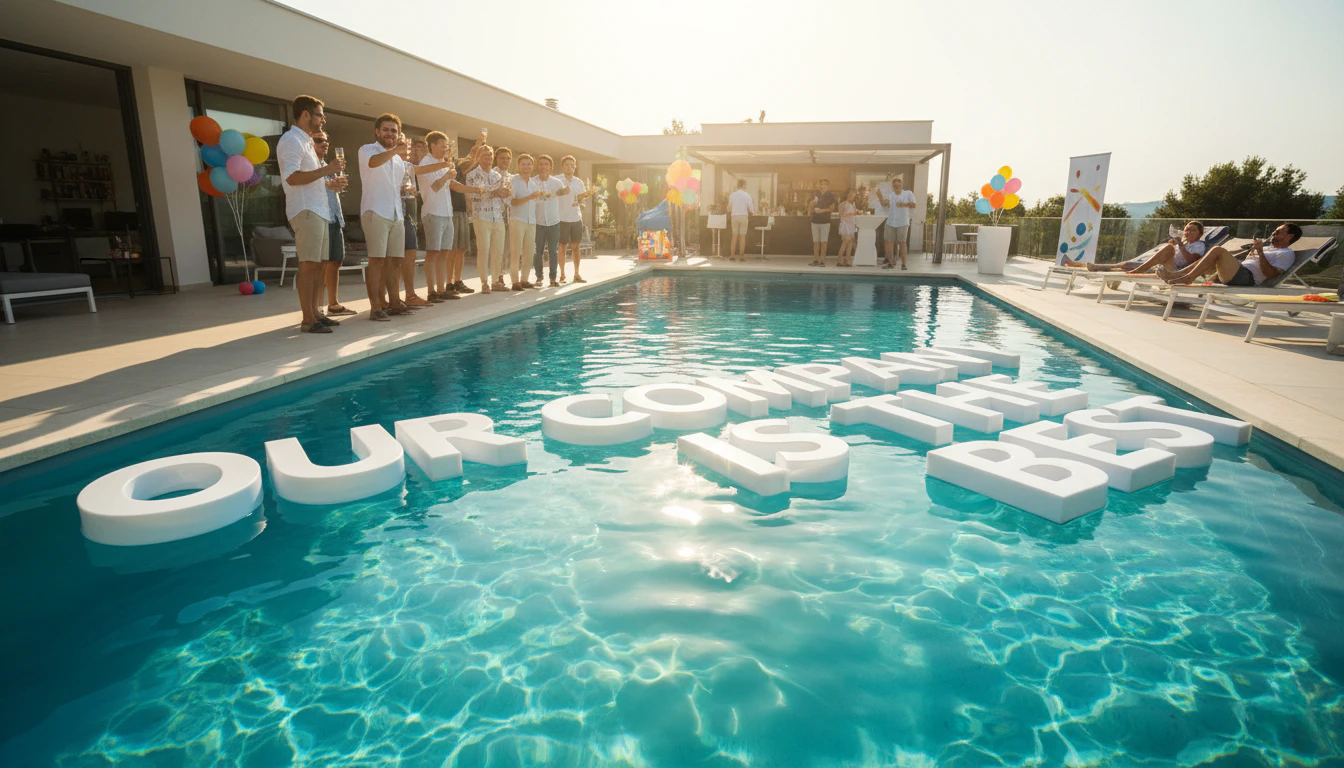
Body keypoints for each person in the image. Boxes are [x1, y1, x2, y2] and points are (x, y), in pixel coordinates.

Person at [276, 94, 344, 333]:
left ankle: (317, 313)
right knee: (308, 265)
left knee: (319, 264)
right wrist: (327, 169)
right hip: (305, 210)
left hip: (319, 210)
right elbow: (292, 177)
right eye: (319, 115)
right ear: (306, 114)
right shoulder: (291, 140)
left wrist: (328, 183)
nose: (323, 119)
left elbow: (309, 179)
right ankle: (308, 320)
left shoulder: (306, 142)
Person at [358, 113, 412, 320]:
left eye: (394, 131)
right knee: (377, 260)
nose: (390, 134)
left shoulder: (398, 159)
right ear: (378, 132)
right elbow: (373, 163)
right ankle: (375, 307)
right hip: (375, 211)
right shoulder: (367, 150)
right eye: (387, 130)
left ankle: (395, 303)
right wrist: (395, 151)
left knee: (396, 261)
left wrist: (407, 189)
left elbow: (396, 186)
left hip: (396, 213)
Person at [1158, 223, 1302, 287]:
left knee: (1217, 250)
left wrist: (1260, 252)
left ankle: (1186, 277)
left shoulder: (1287, 254)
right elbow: (1250, 264)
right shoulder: (1268, 248)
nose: (1273, 234)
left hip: (1247, 278)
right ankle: (1178, 275)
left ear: (1289, 236)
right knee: (1211, 256)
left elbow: (1271, 274)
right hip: (1239, 272)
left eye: (1278, 232)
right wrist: (1253, 253)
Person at [419, 131, 470, 301]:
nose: (445, 149)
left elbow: (452, 185)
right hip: (433, 213)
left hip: (447, 213)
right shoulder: (425, 163)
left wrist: (475, 190)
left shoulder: (443, 163)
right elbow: (434, 187)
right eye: (443, 146)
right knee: (433, 253)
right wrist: (447, 175)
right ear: (432, 145)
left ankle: (441, 290)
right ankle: (431, 291)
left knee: (444, 253)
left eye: (447, 146)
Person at [310, 130, 355, 316]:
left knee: (336, 261)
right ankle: (317, 307)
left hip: (335, 217)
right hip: (320, 217)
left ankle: (333, 304)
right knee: (320, 264)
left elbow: (329, 189)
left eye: (326, 141)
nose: (325, 143)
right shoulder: (309, 165)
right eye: (319, 140)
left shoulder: (326, 165)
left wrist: (337, 184)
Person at [1066, 221, 1206, 273]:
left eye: (1192, 230)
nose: (1188, 232)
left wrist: (1179, 245)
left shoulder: (1200, 246)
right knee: (1126, 264)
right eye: (1186, 229)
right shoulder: (1183, 244)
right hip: (1161, 266)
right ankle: (1092, 266)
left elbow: (1191, 261)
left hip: (1175, 271)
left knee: (1168, 249)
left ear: (1200, 233)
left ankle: (1142, 268)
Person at [448, 133, 486, 296]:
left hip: (462, 210)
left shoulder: (458, 165)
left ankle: (457, 280)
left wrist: (479, 143)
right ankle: (449, 283)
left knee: (461, 249)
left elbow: (471, 157)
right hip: (451, 210)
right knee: (452, 249)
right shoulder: (446, 166)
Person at [465, 144, 506, 294]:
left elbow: (504, 198)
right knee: (484, 250)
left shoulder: (498, 176)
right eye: (484, 155)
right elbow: (472, 196)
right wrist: (494, 193)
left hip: (498, 217)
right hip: (481, 216)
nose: (488, 157)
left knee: (498, 251)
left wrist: (505, 194)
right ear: (478, 157)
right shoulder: (472, 175)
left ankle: (495, 281)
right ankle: (484, 282)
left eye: (490, 154)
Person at [399, 137, 432, 308]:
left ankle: (410, 295)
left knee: (410, 254)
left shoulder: (408, 167)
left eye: (408, 147)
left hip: (409, 215)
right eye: (405, 147)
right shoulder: (387, 162)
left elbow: (422, 170)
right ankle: (388, 299)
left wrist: (443, 164)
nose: (408, 150)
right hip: (392, 214)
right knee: (392, 259)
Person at [507, 152, 542, 290]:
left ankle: (525, 279)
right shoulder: (513, 181)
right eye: (523, 164)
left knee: (529, 251)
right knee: (516, 251)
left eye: (529, 164)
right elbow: (513, 202)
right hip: (517, 219)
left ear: (532, 166)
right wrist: (530, 197)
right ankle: (515, 281)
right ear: (518, 165)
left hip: (531, 221)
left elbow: (536, 202)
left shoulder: (534, 183)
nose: (526, 167)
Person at [557, 156, 594, 283]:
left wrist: (585, 197)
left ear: (575, 167)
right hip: (561, 218)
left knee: (576, 247)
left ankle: (577, 274)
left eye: (572, 165)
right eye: (567, 165)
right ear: (563, 166)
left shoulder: (578, 182)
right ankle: (562, 275)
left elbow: (581, 199)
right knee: (562, 246)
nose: (569, 167)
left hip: (576, 217)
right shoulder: (557, 180)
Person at [533, 154, 566, 287]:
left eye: (546, 164)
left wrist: (564, 191)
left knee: (553, 251)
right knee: (538, 251)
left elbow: (565, 191)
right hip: (537, 221)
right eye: (541, 164)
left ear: (550, 167)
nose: (543, 167)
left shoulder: (556, 182)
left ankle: (553, 278)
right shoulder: (532, 181)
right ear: (537, 166)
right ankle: (539, 278)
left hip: (554, 221)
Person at [490, 146, 515, 291]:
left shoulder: (511, 177)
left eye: (508, 158)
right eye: (502, 158)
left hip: (508, 217)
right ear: (496, 159)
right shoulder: (492, 175)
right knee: (496, 249)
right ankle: (495, 279)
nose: (505, 161)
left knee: (505, 250)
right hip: (493, 216)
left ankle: (500, 276)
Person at [881, 176, 915, 270]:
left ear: (901, 184)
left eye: (898, 182)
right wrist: (885, 203)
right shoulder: (891, 195)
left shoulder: (908, 193)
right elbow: (886, 204)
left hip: (903, 222)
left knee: (902, 243)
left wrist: (903, 205)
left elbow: (913, 204)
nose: (897, 184)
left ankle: (904, 265)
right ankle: (890, 263)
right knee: (889, 243)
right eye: (894, 183)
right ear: (893, 186)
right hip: (891, 222)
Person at [807, 179, 837, 267]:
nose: (822, 186)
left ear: (827, 186)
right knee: (815, 242)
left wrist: (822, 210)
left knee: (824, 242)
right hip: (814, 221)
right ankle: (816, 260)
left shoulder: (831, 196)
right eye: (821, 184)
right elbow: (809, 207)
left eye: (824, 184)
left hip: (826, 221)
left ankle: (822, 261)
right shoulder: (814, 194)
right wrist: (812, 203)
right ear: (818, 185)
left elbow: (832, 209)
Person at [728, 179, 754, 261]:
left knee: (734, 236)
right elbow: (751, 208)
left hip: (734, 216)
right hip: (743, 216)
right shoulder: (747, 195)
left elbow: (729, 207)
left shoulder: (732, 195)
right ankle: (741, 256)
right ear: (743, 185)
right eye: (745, 185)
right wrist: (752, 212)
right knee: (742, 237)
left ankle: (732, 256)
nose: (746, 186)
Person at [836, 188, 858, 267]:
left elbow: (853, 214)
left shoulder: (852, 204)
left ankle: (847, 260)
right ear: (847, 194)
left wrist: (855, 213)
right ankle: (839, 260)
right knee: (845, 242)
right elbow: (842, 214)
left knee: (851, 242)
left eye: (853, 194)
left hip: (851, 224)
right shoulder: (843, 204)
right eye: (851, 194)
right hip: (845, 225)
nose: (852, 195)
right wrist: (853, 213)